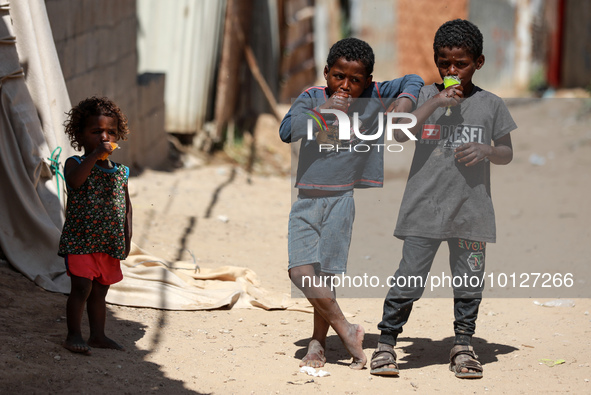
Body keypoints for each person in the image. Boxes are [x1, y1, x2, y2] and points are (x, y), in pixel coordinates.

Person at [370, 19, 517, 379]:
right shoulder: (423, 97)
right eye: (444, 63)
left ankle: (463, 345)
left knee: (469, 279)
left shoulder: (491, 105)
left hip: (472, 212)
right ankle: (387, 342)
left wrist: (487, 150)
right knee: (410, 276)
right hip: (424, 208)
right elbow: (402, 133)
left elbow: (507, 153)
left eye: (461, 64)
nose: (452, 70)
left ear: (478, 63)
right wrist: (436, 100)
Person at [279, 37, 423, 369]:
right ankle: (346, 330)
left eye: (355, 80)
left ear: (368, 82)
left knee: (325, 275)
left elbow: (412, 79)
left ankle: (317, 343)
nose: (345, 86)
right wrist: (323, 113)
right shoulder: (313, 97)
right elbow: (287, 130)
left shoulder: (373, 96)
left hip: (341, 200)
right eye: (338, 76)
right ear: (326, 72)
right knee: (300, 271)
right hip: (306, 200)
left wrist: (403, 100)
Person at [58, 96, 133, 355]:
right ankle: (73, 335)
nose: (104, 137)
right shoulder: (76, 164)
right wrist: (94, 156)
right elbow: (76, 183)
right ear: (79, 136)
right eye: (96, 132)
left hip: (108, 242)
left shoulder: (121, 171)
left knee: (100, 291)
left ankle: (98, 335)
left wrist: (126, 239)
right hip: (81, 240)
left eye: (110, 132)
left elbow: (126, 207)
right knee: (81, 287)